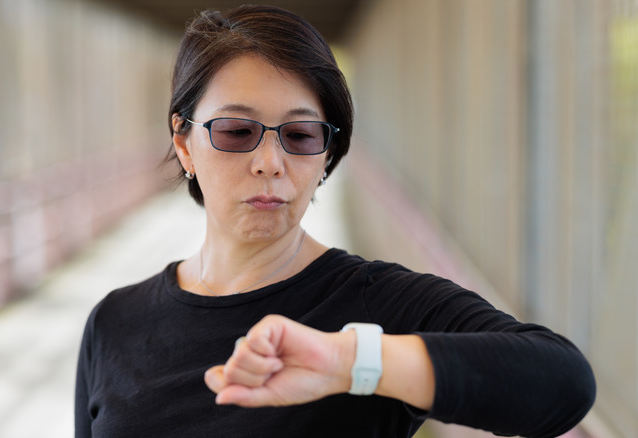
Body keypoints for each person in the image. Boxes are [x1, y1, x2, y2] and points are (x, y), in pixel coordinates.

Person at [75, 5, 596, 437]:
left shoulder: (375, 306)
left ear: (326, 157)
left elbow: (561, 381)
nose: (270, 162)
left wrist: (350, 362)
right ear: (184, 142)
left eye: (300, 136)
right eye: (236, 130)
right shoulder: (113, 324)